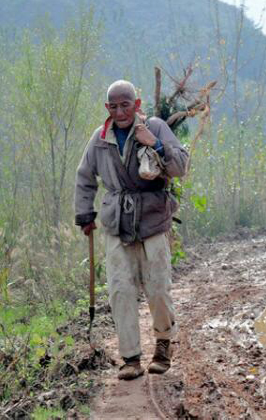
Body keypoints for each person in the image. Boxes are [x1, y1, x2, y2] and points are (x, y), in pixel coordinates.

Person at [74, 80, 188, 380]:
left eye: (125, 105)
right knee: (120, 290)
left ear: (136, 104)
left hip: (152, 219)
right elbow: (85, 177)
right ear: (107, 108)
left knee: (158, 287)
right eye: (113, 106)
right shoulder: (100, 138)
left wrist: (155, 144)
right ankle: (131, 358)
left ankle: (163, 345)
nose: (120, 111)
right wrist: (85, 214)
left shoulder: (155, 127)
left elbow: (180, 167)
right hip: (116, 222)